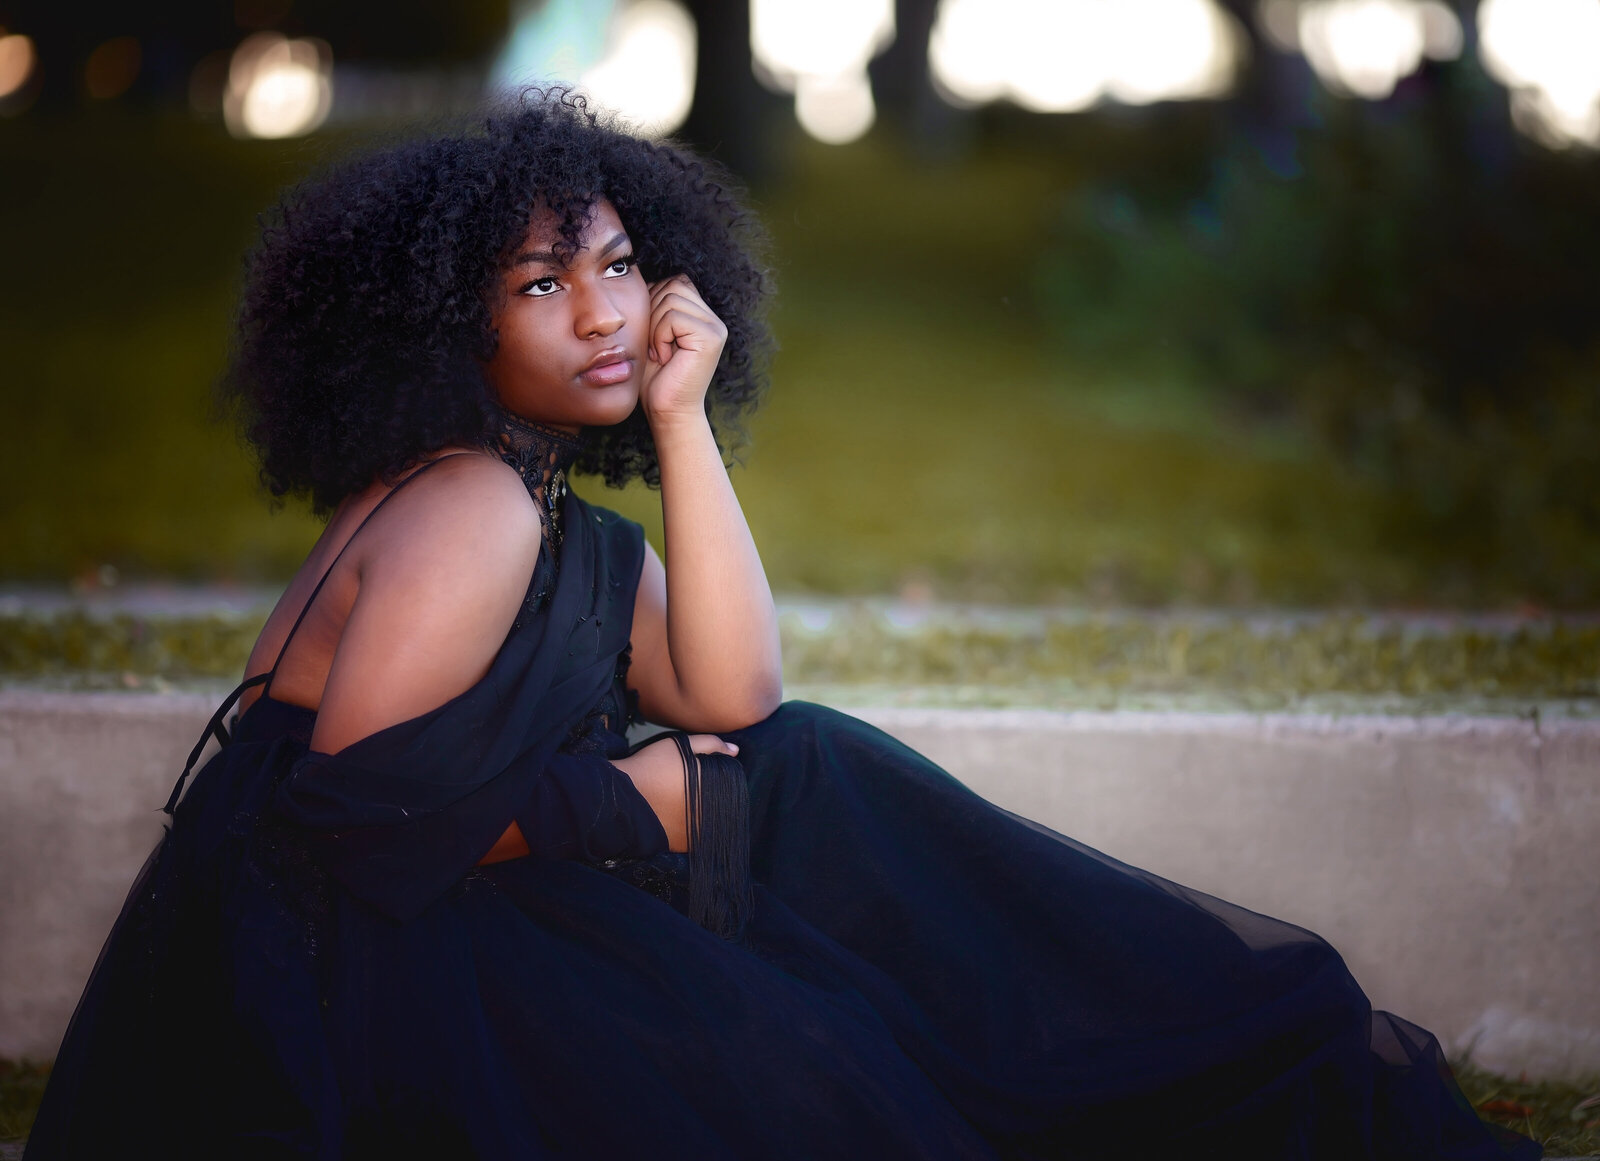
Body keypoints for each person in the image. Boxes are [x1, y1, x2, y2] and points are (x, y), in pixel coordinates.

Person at [24, 91, 1539, 1161]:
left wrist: (685, 423)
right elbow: (343, 825)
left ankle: (1164, 1020)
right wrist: (637, 799)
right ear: (452, 328)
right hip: (320, 984)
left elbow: (737, 692)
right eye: (543, 284)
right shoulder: (467, 507)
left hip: (426, 912)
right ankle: (1185, 1024)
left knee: (808, 767)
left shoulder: (545, 512)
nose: (606, 312)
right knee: (808, 1063)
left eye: (618, 263)